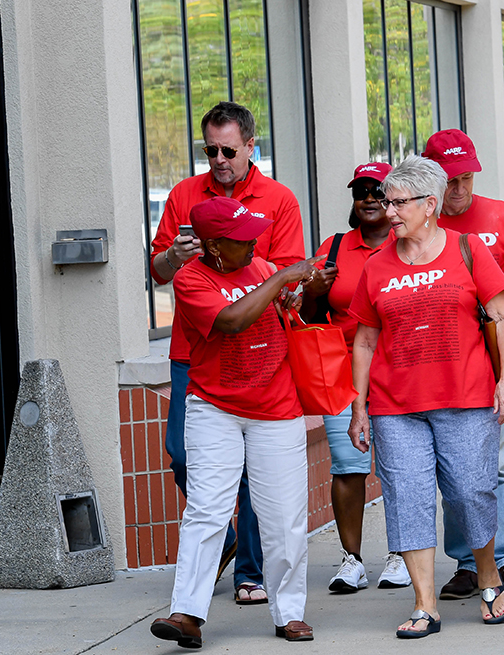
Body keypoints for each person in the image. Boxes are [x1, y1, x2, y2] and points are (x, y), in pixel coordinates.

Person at [347, 155, 504, 638]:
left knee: (471, 491)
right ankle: (425, 604)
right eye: (387, 201)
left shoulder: (466, 250)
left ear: (430, 204)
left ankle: (488, 573)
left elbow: (503, 316)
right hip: (395, 406)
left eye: (399, 203)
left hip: (464, 398)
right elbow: (364, 339)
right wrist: (359, 405)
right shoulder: (377, 265)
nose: (390, 211)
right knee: (408, 498)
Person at [148, 101, 305, 604]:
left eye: (228, 150)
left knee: (260, 469)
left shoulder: (278, 199)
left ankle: (250, 573)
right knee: (182, 457)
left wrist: (239, 261)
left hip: (258, 351)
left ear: (250, 146)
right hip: (194, 346)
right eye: (210, 149)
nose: (218, 159)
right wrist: (176, 256)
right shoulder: (183, 195)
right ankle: (228, 540)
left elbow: (286, 274)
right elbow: (158, 268)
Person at [150, 196, 322, 649]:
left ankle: (290, 613)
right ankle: (186, 612)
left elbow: (290, 307)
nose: (252, 244)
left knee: (284, 517)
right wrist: (282, 277)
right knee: (206, 510)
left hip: (276, 408)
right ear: (212, 246)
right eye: (241, 239)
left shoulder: (262, 267)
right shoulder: (191, 280)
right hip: (214, 409)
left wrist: (302, 288)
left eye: (252, 236)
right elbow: (231, 321)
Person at [422, 128, 504, 602]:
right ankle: (468, 562)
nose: (459, 189)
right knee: (458, 471)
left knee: (498, 466)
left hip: (497, 359)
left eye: (466, 178)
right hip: (445, 366)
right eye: (450, 180)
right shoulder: (419, 222)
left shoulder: (502, 215)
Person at [300, 162, 411, 592]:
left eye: (379, 191)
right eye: (361, 190)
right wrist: (314, 291)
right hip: (342, 372)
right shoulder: (334, 248)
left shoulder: (409, 245)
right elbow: (311, 319)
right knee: (348, 466)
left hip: (399, 368)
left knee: (400, 467)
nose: (369, 197)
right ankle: (352, 559)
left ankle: (401, 555)